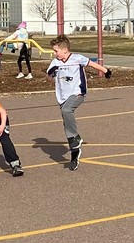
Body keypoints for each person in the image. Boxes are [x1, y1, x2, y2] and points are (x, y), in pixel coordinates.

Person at [45, 34, 112, 170]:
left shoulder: (77, 58)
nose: (54, 53)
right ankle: (75, 151)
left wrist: (106, 71)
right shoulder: (55, 62)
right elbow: (48, 77)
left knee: (66, 111)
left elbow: (92, 64)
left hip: (77, 93)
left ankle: (76, 137)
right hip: (62, 96)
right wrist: (50, 74)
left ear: (65, 50)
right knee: (66, 121)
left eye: (56, 51)